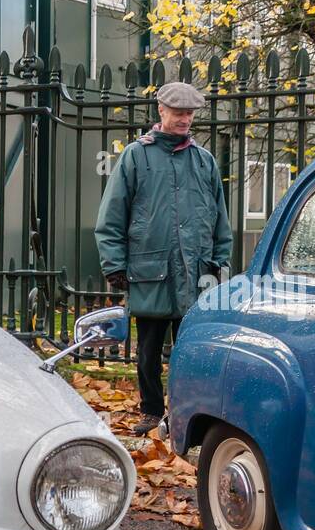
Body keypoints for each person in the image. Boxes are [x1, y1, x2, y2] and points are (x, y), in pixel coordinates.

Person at [94, 81, 233, 436]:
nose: (185, 119)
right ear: (161, 111)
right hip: (149, 271)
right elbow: (112, 216)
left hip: (197, 273)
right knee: (148, 353)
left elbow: (220, 219)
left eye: (189, 113)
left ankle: (186, 415)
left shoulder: (204, 162)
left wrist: (220, 263)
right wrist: (114, 265)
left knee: (191, 353)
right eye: (178, 112)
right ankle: (152, 412)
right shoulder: (136, 156)